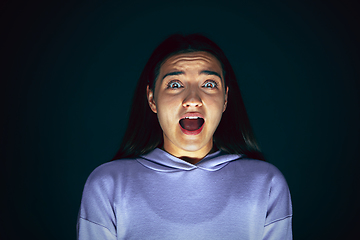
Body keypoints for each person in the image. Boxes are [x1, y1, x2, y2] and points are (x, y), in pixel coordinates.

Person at [77, 34, 293, 239]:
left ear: (225, 99)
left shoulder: (266, 184)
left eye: (209, 84)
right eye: (175, 84)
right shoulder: (108, 185)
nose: (192, 99)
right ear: (152, 99)